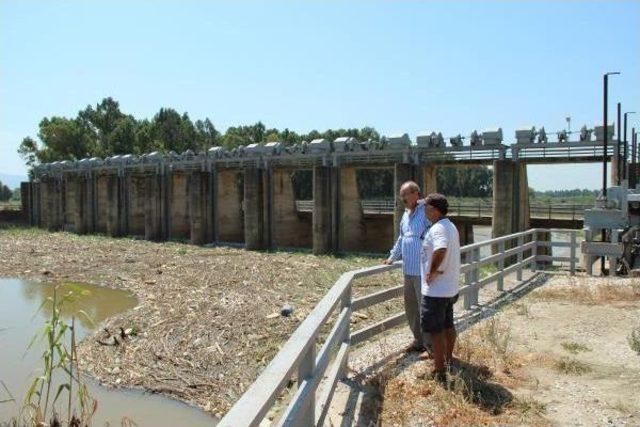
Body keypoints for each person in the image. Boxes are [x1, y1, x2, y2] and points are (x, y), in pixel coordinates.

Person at [383, 181, 431, 352]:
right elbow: (401, 238)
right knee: (411, 308)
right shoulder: (405, 215)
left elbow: (435, 232)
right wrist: (392, 257)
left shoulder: (426, 211)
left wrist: (423, 202)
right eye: (401, 194)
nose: (402, 197)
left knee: (424, 308)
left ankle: (431, 345)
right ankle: (419, 341)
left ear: (416, 194)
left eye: (405, 194)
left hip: (423, 270)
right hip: (408, 270)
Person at [419, 193, 460, 378]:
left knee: (436, 330)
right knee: (447, 326)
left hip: (436, 290)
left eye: (425, 206)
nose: (423, 209)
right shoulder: (450, 226)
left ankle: (439, 369)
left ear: (433, 209)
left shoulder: (438, 229)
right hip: (449, 288)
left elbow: (441, 249)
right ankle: (448, 360)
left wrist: (431, 271)